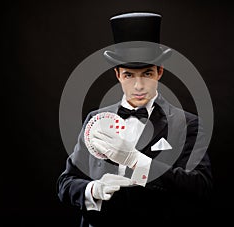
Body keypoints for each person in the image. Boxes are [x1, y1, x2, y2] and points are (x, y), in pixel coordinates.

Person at [57, 12, 213, 227]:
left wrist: (138, 161)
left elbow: (200, 186)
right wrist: (93, 190)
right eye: (129, 75)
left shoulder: (187, 124)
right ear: (118, 75)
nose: (138, 86)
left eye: (147, 74)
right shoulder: (95, 120)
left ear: (159, 72)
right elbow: (66, 183)